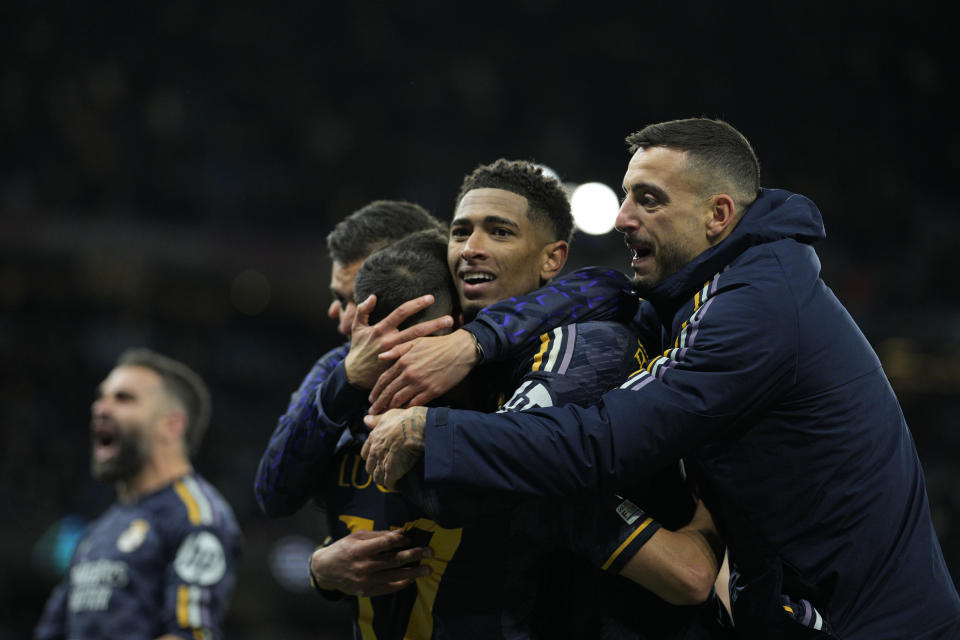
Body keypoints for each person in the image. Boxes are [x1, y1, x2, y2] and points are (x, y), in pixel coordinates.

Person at [361, 118, 960, 640]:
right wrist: (478, 339)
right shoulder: (713, 287)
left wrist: (430, 429)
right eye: (625, 196)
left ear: (717, 215)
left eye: (647, 199)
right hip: (812, 612)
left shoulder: (755, 308)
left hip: (875, 625)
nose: (622, 218)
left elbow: (604, 441)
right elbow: (604, 289)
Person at [314, 159, 729, 638]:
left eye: (500, 231)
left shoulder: (585, 346)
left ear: (552, 258)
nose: (471, 248)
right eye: (460, 232)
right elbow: (282, 491)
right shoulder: (430, 381)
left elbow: (483, 488)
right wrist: (323, 567)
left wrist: (424, 425)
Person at [35, 348, 241, 640]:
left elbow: (190, 635)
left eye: (124, 398)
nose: (100, 408)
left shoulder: (197, 515)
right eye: (101, 397)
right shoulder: (99, 532)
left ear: (171, 425)